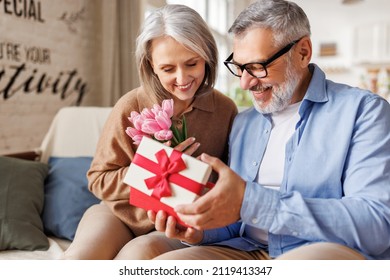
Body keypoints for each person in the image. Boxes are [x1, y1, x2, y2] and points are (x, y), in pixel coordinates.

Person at [124, 0, 390, 260]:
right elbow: (236, 220)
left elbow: (378, 224)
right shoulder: (244, 123)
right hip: (247, 248)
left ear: (303, 52)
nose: (245, 83)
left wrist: (252, 201)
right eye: (239, 68)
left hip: (324, 249)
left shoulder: (363, 112)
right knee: (154, 259)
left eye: (257, 67)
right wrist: (198, 230)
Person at [61, 4, 238, 259]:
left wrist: (189, 178)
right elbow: (98, 179)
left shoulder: (225, 110)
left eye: (192, 63)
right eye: (168, 69)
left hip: (174, 222)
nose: (182, 78)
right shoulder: (131, 106)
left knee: (137, 258)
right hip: (118, 214)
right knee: (79, 260)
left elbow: (228, 185)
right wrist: (156, 168)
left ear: (208, 57)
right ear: (151, 65)